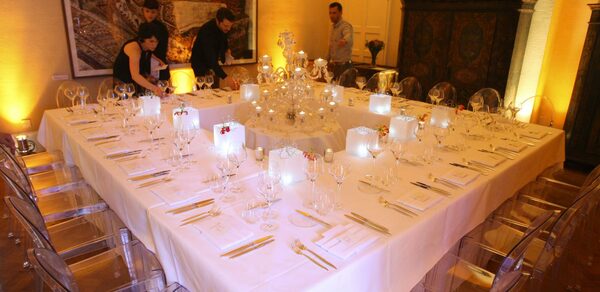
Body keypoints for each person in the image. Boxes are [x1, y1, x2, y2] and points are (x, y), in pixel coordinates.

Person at [190, 7, 239, 90]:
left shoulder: (223, 28)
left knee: (215, 89)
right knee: (204, 91)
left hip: (212, 63)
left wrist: (227, 51)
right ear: (217, 20)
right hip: (200, 64)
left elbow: (224, 37)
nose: (228, 29)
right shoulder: (207, 32)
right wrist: (226, 77)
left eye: (230, 26)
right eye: (226, 26)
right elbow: (210, 58)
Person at [113, 22, 164, 96]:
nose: (155, 45)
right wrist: (155, 88)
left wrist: (158, 59)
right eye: (151, 41)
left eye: (157, 41)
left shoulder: (146, 46)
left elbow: (147, 53)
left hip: (135, 84)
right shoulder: (134, 48)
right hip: (123, 85)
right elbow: (135, 75)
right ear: (143, 39)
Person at [140, 0, 170, 81]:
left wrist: (158, 59)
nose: (150, 14)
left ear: (157, 12)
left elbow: (163, 48)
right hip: (146, 62)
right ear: (143, 10)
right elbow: (141, 47)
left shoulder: (161, 28)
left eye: (153, 12)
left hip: (159, 62)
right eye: (147, 11)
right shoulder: (142, 26)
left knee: (161, 88)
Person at [326, 2, 354, 80]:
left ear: (341, 13)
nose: (331, 15)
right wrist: (326, 61)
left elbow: (349, 36)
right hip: (334, 66)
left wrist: (344, 40)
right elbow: (330, 46)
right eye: (330, 13)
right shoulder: (332, 27)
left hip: (344, 67)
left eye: (334, 13)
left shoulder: (346, 26)